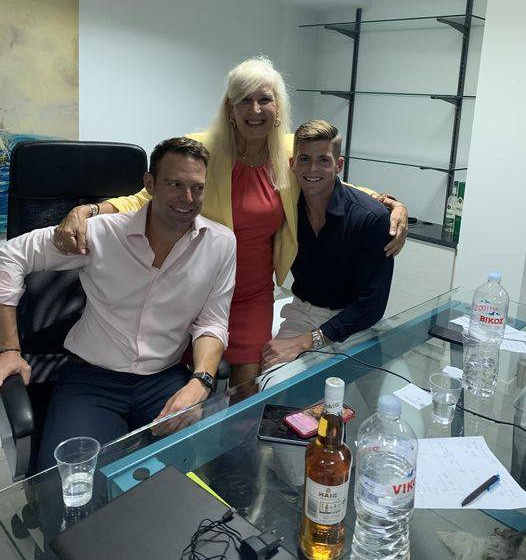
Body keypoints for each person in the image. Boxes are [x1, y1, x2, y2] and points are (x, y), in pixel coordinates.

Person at [53, 58, 408, 385]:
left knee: (250, 387)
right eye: (244, 100)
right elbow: (147, 197)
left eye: (265, 100)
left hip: (253, 294)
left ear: (278, 108)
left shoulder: (289, 151)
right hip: (194, 286)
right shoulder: (201, 149)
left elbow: (327, 180)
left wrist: (387, 203)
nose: (255, 109)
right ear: (230, 108)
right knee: (182, 383)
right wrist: (90, 211)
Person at [0, 137, 236, 470]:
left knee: (188, 477)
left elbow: (212, 322)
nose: (187, 199)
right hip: (91, 381)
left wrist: (201, 382)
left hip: (163, 378)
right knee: (66, 483)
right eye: (175, 184)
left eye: (197, 188)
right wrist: (9, 349)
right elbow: (9, 255)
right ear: (150, 184)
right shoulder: (100, 233)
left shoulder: (220, 244)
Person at [261, 120, 394, 371]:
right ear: (292, 164)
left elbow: (372, 306)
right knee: (272, 381)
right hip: (304, 313)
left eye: (323, 160)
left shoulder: (370, 218)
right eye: (304, 159)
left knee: (378, 392)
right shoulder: (285, 210)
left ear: (338, 165)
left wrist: (308, 341)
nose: (313, 168)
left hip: (356, 322)